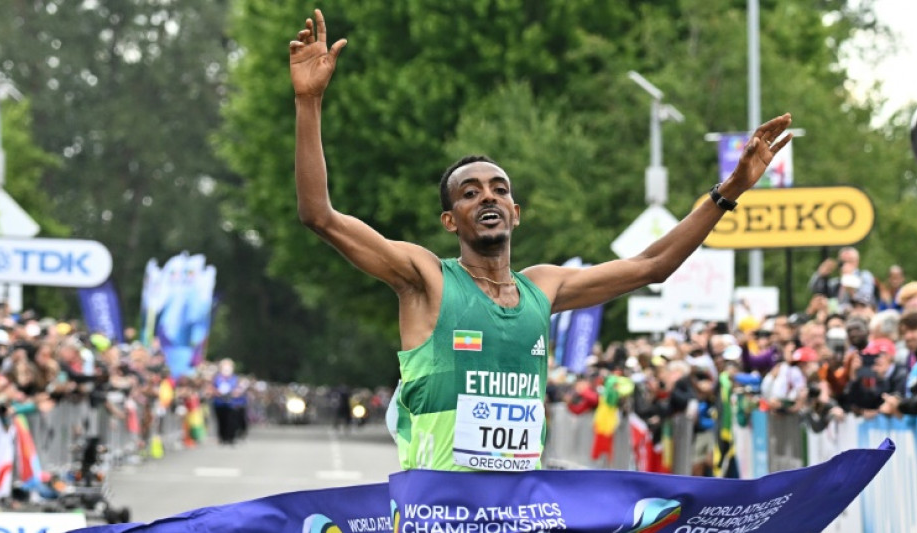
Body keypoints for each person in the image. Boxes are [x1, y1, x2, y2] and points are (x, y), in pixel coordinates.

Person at [290, 9, 793, 471]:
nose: (487, 197)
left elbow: (652, 265)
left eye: (499, 189)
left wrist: (729, 191)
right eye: (470, 193)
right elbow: (321, 216)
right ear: (451, 221)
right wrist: (309, 102)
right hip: (438, 511)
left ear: (515, 212)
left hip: (520, 508)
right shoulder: (426, 280)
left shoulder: (543, 287)